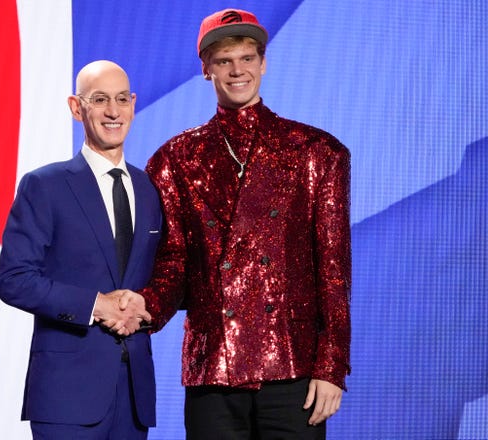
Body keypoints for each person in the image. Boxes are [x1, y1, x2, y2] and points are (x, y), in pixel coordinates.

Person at [140, 8, 351, 439]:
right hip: (213, 366)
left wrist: (331, 366)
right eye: (224, 60)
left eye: (247, 57)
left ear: (263, 63)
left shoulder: (316, 151)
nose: (237, 70)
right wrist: (141, 307)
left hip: (293, 367)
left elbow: (333, 270)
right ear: (206, 70)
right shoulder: (174, 160)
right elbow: (174, 264)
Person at [0, 60, 162, 439]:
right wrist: (96, 305)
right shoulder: (45, 185)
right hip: (65, 394)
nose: (113, 111)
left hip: (134, 392)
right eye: (99, 99)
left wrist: (143, 305)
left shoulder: (150, 189)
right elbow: (14, 279)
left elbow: (161, 274)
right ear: (76, 107)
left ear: (134, 104)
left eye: (122, 99)